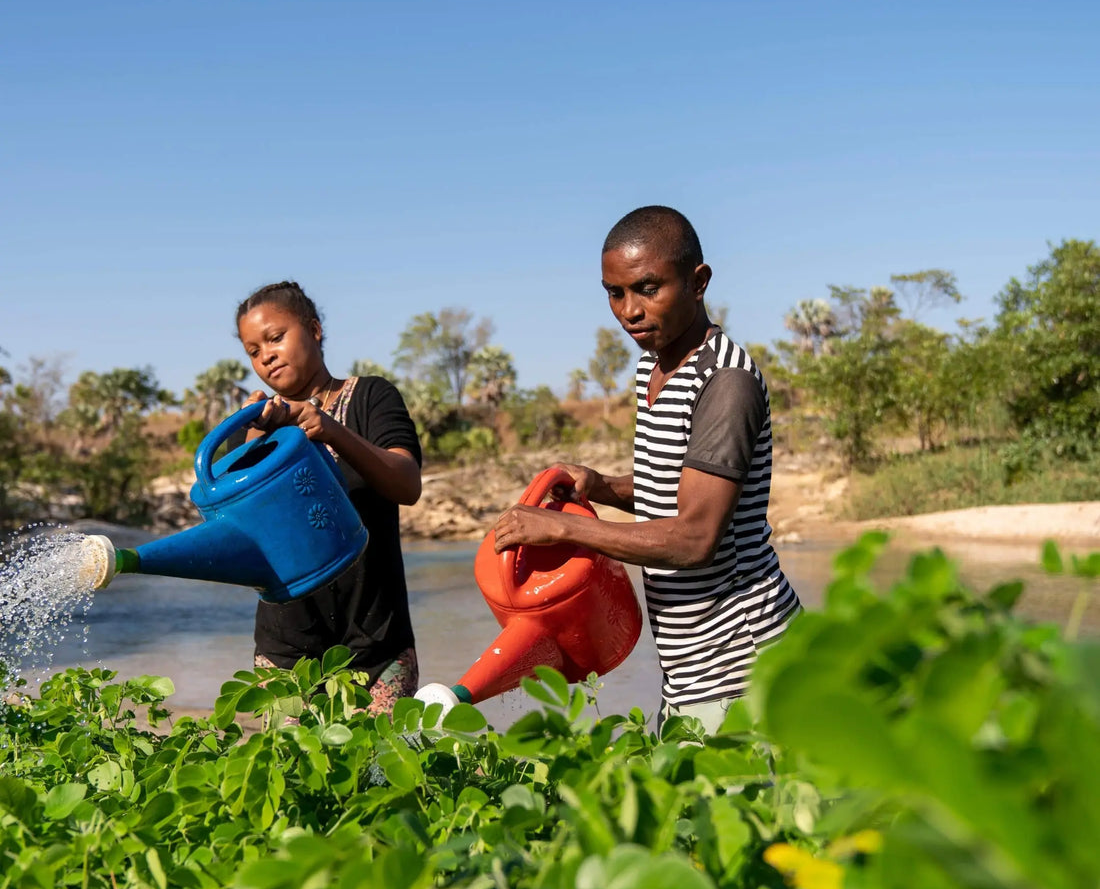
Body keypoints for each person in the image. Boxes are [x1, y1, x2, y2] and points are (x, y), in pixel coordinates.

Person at [493, 206, 800, 733]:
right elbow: (673, 490)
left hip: (745, 662)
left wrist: (567, 528)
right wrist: (603, 487)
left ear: (698, 282)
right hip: (689, 668)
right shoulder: (652, 368)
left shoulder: (725, 382)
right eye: (615, 293)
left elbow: (695, 536)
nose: (629, 311)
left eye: (647, 288)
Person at [234, 281, 422, 713]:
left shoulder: (371, 398)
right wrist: (251, 440)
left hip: (377, 645)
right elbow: (239, 531)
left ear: (315, 330)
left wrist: (332, 430)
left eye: (276, 337)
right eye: (253, 349)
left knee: (383, 776)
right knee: (294, 778)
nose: (266, 355)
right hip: (285, 652)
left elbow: (407, 484)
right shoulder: (254, 428)